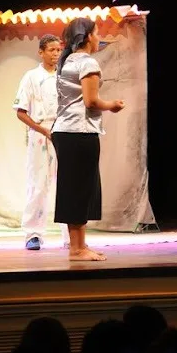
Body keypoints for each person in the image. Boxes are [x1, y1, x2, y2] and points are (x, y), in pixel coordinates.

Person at [51, 17, 125, 261]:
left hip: (67, 131)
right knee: (79, 188)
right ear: (87, 37)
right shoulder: (87, 62)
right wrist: (112, 105)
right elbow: (91, 101)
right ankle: (76, 248)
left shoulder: (68, 61)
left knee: (77, 187)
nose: (99, 37)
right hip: (78, 131)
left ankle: (79, 245)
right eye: (96, 32)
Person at [13, 34, 63, 251]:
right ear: (41, 52)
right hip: (41, 135)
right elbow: (21, 112)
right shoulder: (31, 77)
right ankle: (33, 233)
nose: (56, 54)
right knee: (38, 184)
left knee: (66, 185)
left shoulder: (64, 76)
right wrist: (42, 129)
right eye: (51, 50)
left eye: (58, 50)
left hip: (63, 132)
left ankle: (71, 234)